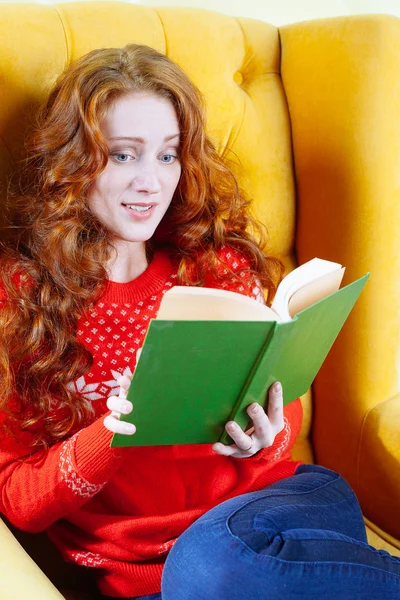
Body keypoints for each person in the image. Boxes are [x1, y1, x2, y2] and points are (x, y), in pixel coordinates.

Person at [0, 43, 399, 600]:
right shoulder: (23, 303)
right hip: (162, 580)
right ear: (71, 160)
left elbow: (285, 412)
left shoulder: (213, 267)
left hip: (284, 512)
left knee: (213, 564)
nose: (151, 182)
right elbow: (18, 498)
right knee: (205, 571)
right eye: (123, 155)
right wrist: (112, 434)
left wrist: (265, 436)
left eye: (168, 155)